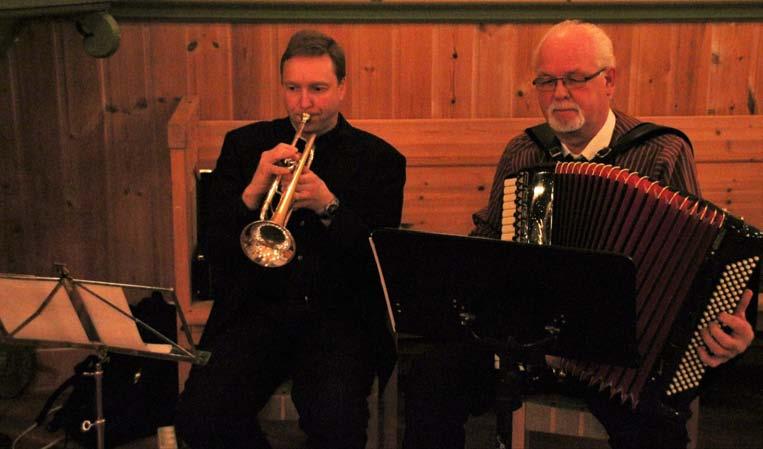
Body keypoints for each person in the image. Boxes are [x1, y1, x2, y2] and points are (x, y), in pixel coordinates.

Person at [402, 20, 755, 449]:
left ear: (609, 81)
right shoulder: (524, 151)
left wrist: (729, 325)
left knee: (657, 430)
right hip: (527, 345)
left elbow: (695, 261)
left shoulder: (661, 151)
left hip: (622, 360)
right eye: (546, 81)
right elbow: (490, 237)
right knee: (429, 379)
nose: (559, 93)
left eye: (574, 78)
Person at [174, 29, 406, 449]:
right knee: (200, 417)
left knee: (337, 424)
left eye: (317, 89)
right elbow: (216, 246)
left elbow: (378, 260)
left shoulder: (381, 160)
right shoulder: (245, 147)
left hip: (337, 319)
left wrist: (328, 206)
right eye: (293, 88)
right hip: (256, 312)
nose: (304, 102)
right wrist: (254, 189)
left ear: (342, 88)